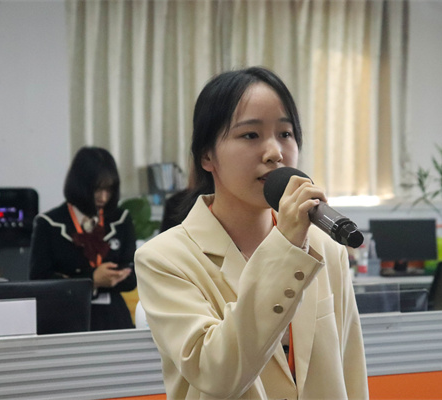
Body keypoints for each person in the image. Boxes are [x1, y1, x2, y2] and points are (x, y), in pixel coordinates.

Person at [135, 67, 368, 399]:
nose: (275, 152)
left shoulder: (324, 247)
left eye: (285, 133)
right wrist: (286, 248)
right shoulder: (164, 259)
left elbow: (350, 371)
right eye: (250, 135)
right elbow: (216, 374)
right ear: (206, 155)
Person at [30, 146, 137, 331]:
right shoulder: (49, 223)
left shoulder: (121, 219)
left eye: (109, 190)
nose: (103, 197)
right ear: (80, 185)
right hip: (65, 319)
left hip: (112, 319)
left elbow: (132, 277)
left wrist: (111, 277)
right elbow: (39, 281)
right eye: (97, 190)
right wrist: (91, 280)